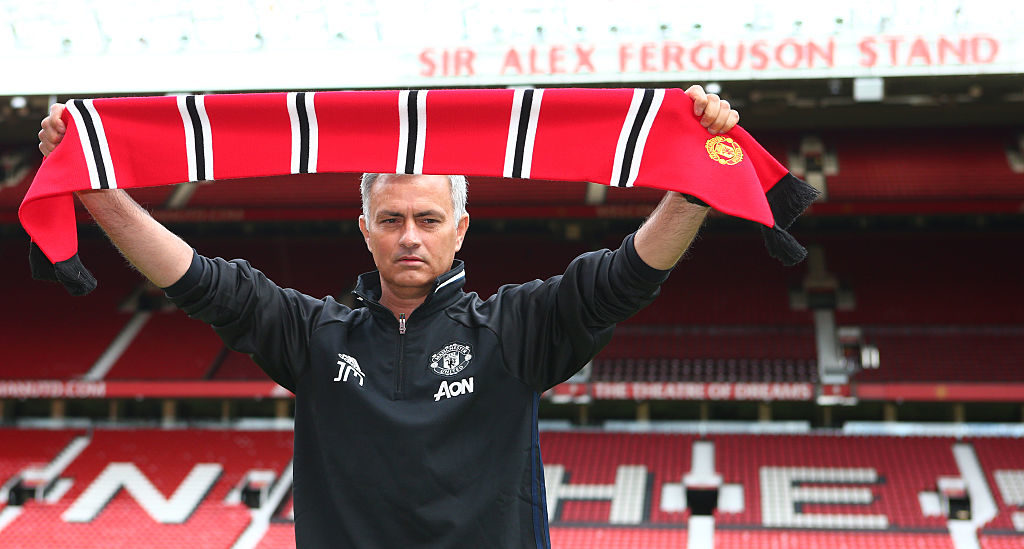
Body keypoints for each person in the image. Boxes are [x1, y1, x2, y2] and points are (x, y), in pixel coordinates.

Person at [38, 85, 739, 548]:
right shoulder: (314, 337)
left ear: (460, 229)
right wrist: (96, 193)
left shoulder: (516, 329)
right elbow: (198, 280)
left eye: (428, 219)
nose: (410, 236)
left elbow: (625, 278)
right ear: (365, 230)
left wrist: (696, 180)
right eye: (392, 219)